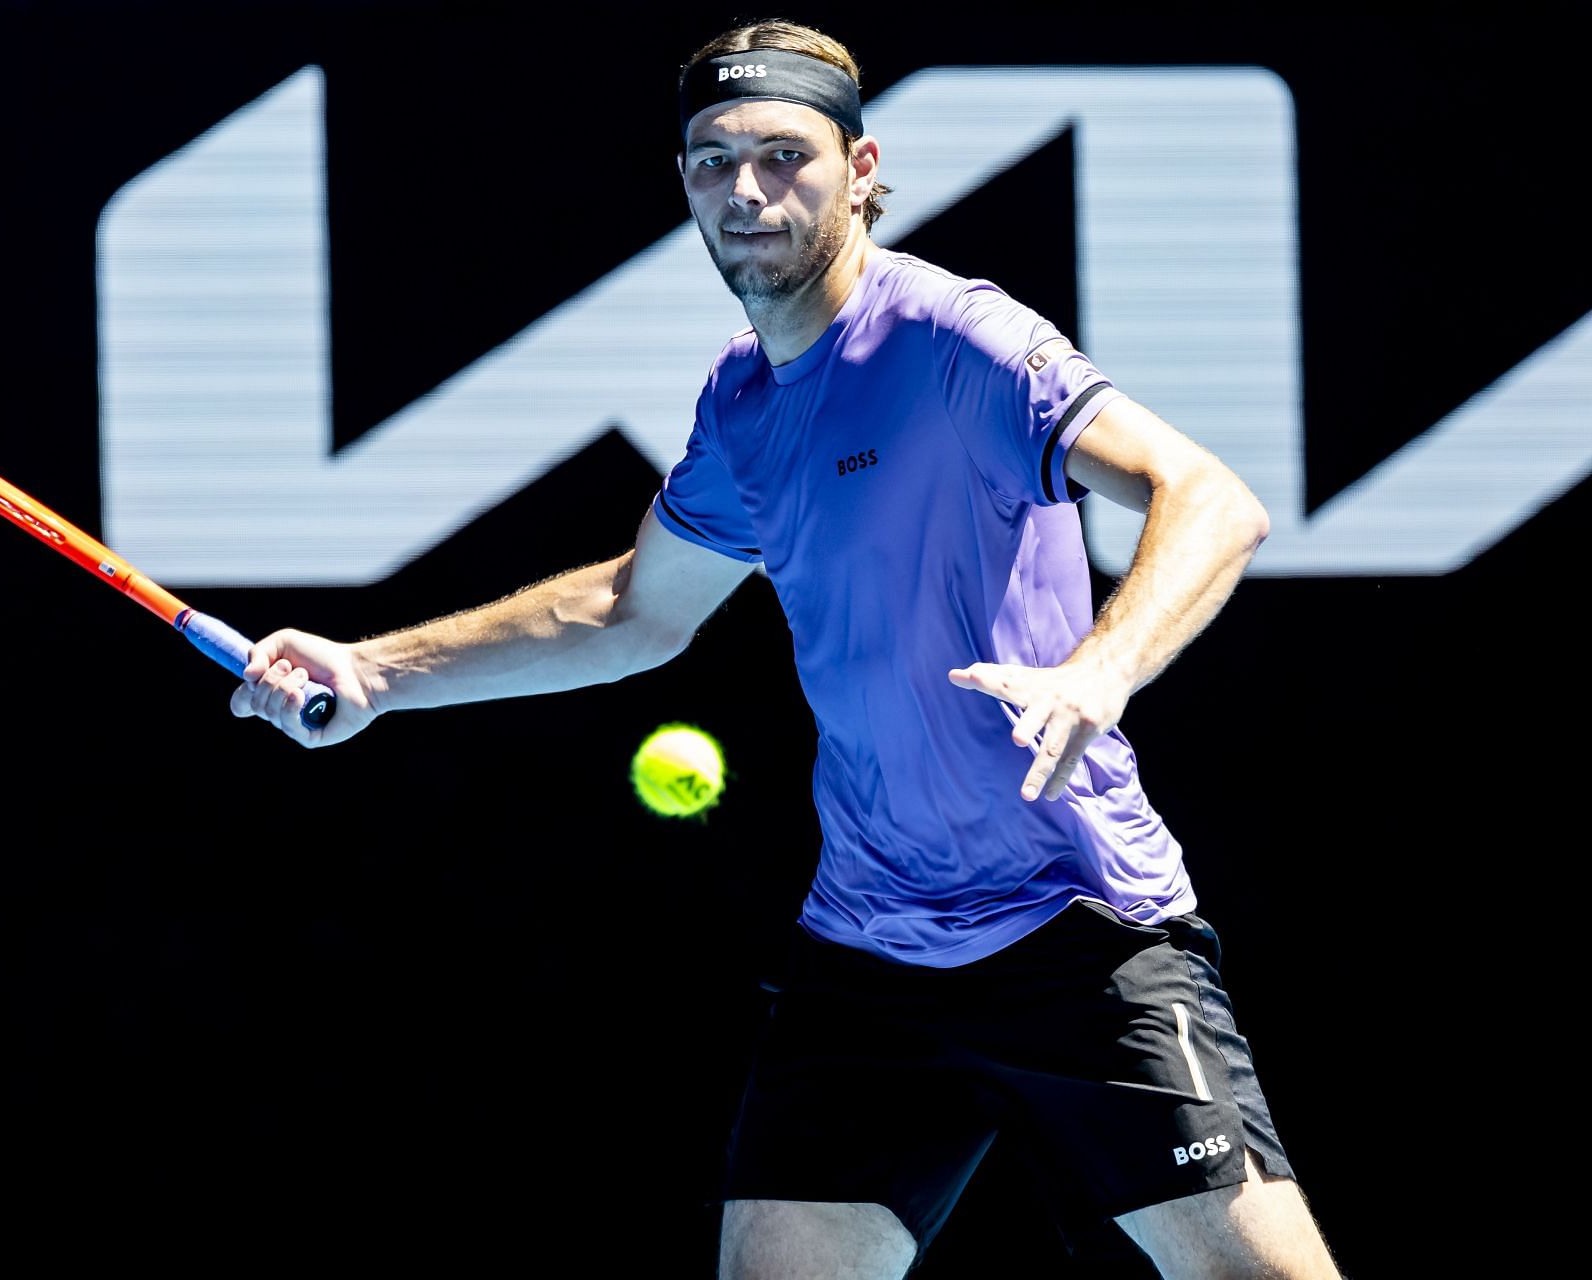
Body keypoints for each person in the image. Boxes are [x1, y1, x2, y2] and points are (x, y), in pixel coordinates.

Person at [230, 19, 1343, 1280]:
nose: (746, 188)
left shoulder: (953, 340)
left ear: (861, 167)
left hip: (1078, 924)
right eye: (713, 158)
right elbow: (638, 607)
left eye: (784, 153)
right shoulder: (743, 403)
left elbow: (1209, 496)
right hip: (869, 950)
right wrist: (374, 672)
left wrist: (1100, 665)